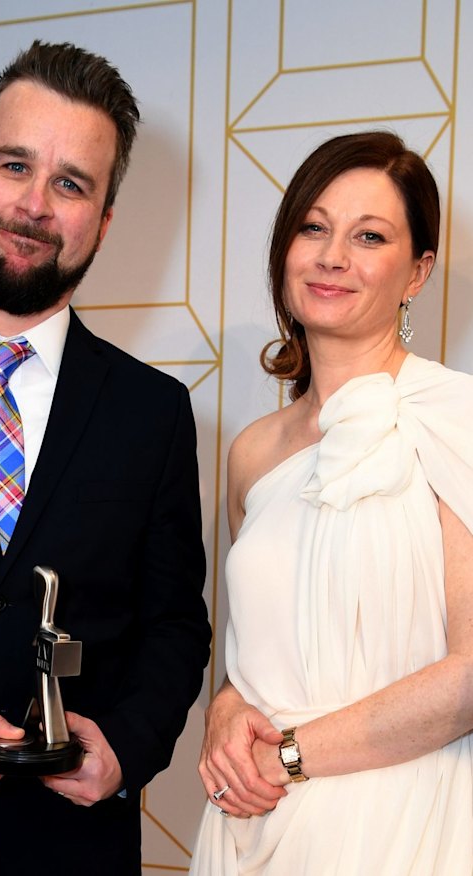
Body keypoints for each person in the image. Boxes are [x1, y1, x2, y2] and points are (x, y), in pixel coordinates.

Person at [0, 40, 210, 875]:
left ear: (104, 220)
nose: (34, 205)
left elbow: (175, 625)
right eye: (15, 166)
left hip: (71, 850)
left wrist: (127, 747)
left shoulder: (154, 414)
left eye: (71, 184)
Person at [190, 130, 473, 874]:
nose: (333, 256)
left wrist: (288, 755)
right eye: (314, 228)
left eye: (369, 236)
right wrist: (226, 706)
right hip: (252, 823)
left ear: (418, 272)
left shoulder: (458, 421)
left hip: (406, 823)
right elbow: (260, 651)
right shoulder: (252, 452)